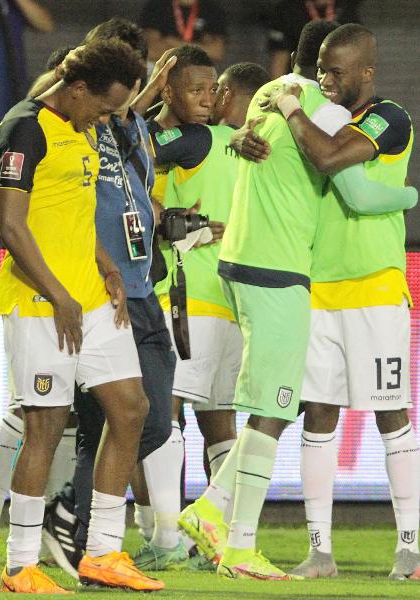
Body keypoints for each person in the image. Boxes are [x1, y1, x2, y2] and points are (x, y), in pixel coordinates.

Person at [177, 20, 358, 581]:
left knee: (268, 407)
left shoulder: (266, 92)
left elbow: (248, 137)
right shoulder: (321, 111)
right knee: (273, 407)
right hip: (277, 268)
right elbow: (335, 164)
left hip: (239, 258)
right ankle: (238, 546)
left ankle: (211, 511)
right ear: (330, 68)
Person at [0, 39, 163, 593]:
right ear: (78, 87)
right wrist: (61, 296)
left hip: (90, 298)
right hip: (42, 303)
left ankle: (103, 554)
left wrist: (107, 266)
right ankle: (20, 564)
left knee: (132, 409)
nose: (109, 118)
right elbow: (11, 227)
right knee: (45, 422)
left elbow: (77, 211)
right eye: (105, 107)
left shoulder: (86, 127)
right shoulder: (25, 128)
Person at [265, 23, 420, 580]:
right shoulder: (320, 118)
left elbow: (331, 159)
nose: (325, 80)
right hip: (319, 286)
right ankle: (320, 552)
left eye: (337, 71)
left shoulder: (389, 116)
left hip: (376, 287)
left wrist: (290, 108)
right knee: (319, 413)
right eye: (321, 69)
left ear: (367, 74)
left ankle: (409, 547)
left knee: (390, 413)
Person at [135, 57, 268, 572]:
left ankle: (167, 534)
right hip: (237, 301)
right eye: (201, 89)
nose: (210, 97)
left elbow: (131, 151)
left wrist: (173, 224)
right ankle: (224, 538)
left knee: (163, 414)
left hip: (188, 297)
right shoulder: (259, 154)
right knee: (219, 421)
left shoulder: (199, 139)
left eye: (216, 89)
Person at [264, 0, 362, 79]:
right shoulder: (287, 9)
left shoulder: (348, 6)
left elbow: (357, 56)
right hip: (300, 83)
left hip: (339, 83)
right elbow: (279, 58)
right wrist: (278, 94)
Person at [139, 0, 227, 66]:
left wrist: (171, 42)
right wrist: (198, 48)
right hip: (163, 68)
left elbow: (216, 52)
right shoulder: (157, 5)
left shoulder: (211, 8)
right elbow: (151, 50)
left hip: (197, 72)